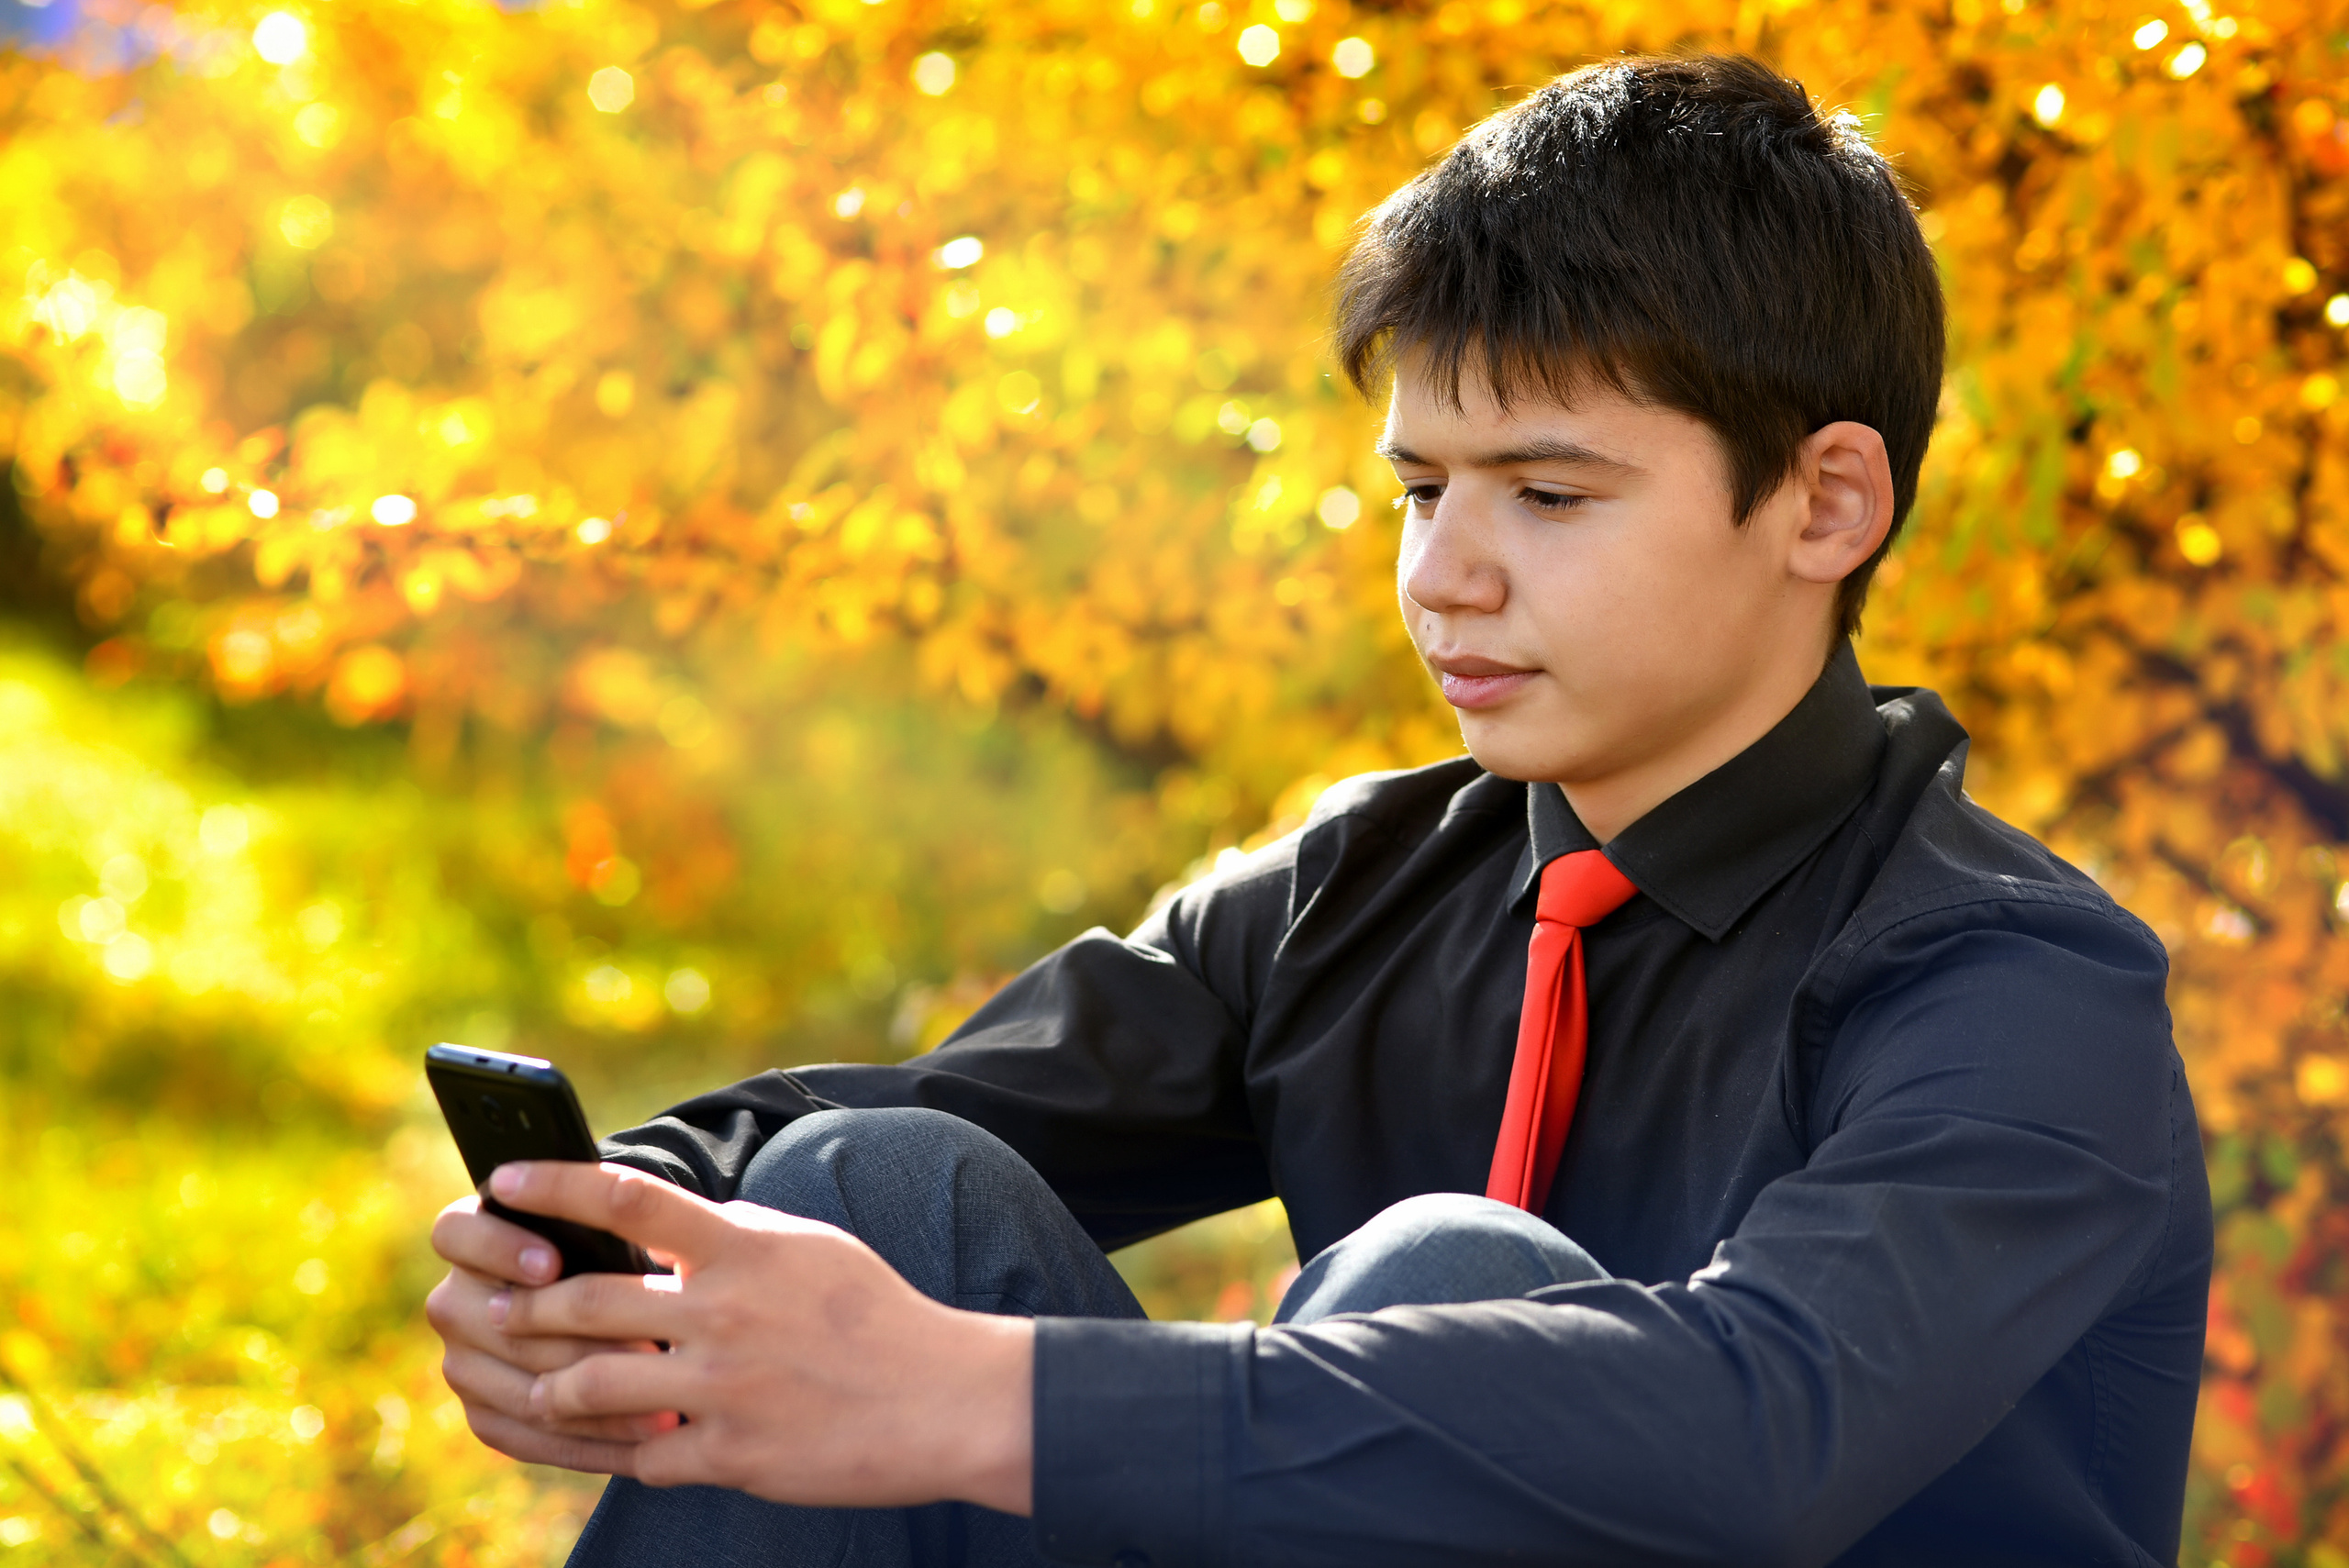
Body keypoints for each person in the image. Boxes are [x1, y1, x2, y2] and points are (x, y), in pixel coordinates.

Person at [425, 53, 2210, 1566]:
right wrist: (616, 1242)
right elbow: (926, 1118)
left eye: (1547, 493)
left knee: (1448, 1274)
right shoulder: (1360, 888)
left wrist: (966, 1400)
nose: (1444, 577)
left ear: (1824, 503)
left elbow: (1762, 1420)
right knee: (856, 1187)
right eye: (1419, 488)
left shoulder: (2013, 988)